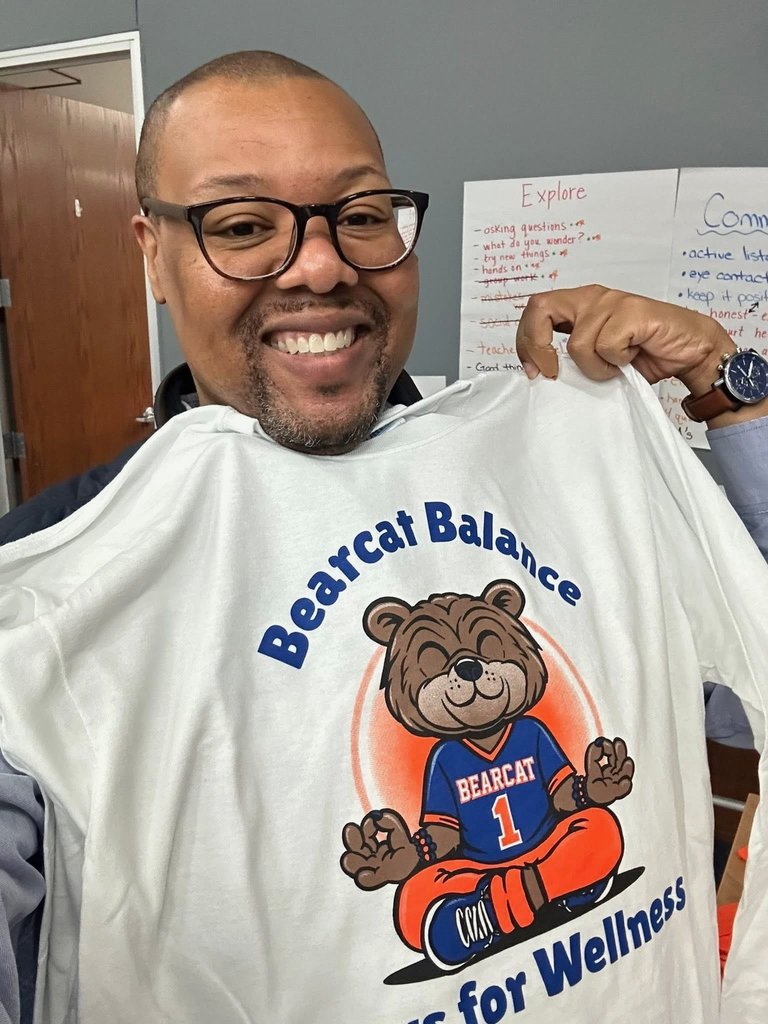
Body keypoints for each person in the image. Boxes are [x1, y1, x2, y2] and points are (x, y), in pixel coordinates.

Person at [0, 50, 765, 1024]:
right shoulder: (52, 593)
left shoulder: (554, 469)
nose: (319, 263)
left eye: (360, 217)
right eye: (243, 225)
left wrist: (733, 395)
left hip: (577, 879)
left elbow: (748, 681)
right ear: (153, 252)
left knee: (588, 847)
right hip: (464, 873)